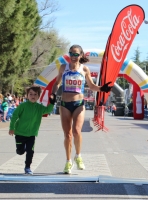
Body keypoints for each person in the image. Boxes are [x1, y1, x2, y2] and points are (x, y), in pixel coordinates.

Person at [51, 44, 112, 174]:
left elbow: (92, 85)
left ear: (81, 55)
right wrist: (53, 94)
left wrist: (102, 88)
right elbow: (57, 83)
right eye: (71, 54)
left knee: (77, 131)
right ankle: (68, 161)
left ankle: (78, 156)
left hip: (79, 103)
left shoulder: (84, 69)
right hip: (65, 104)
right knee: (67, 134)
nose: (73, 57)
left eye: (76, 54)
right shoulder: (63, 67)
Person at [8, 86, 55, 175]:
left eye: (35, 94)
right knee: (20, 152)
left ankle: (27, 167)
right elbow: (14, 116)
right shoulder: (23, 106)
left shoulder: (39, 107)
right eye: (30, 94)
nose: (33, 96)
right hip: (20, 133)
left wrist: (52, 102)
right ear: (27, 95)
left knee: (30, 151)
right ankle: (22, 149)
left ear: (38, 96)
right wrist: (12, 128)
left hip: (32, 134)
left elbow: (48, 110)